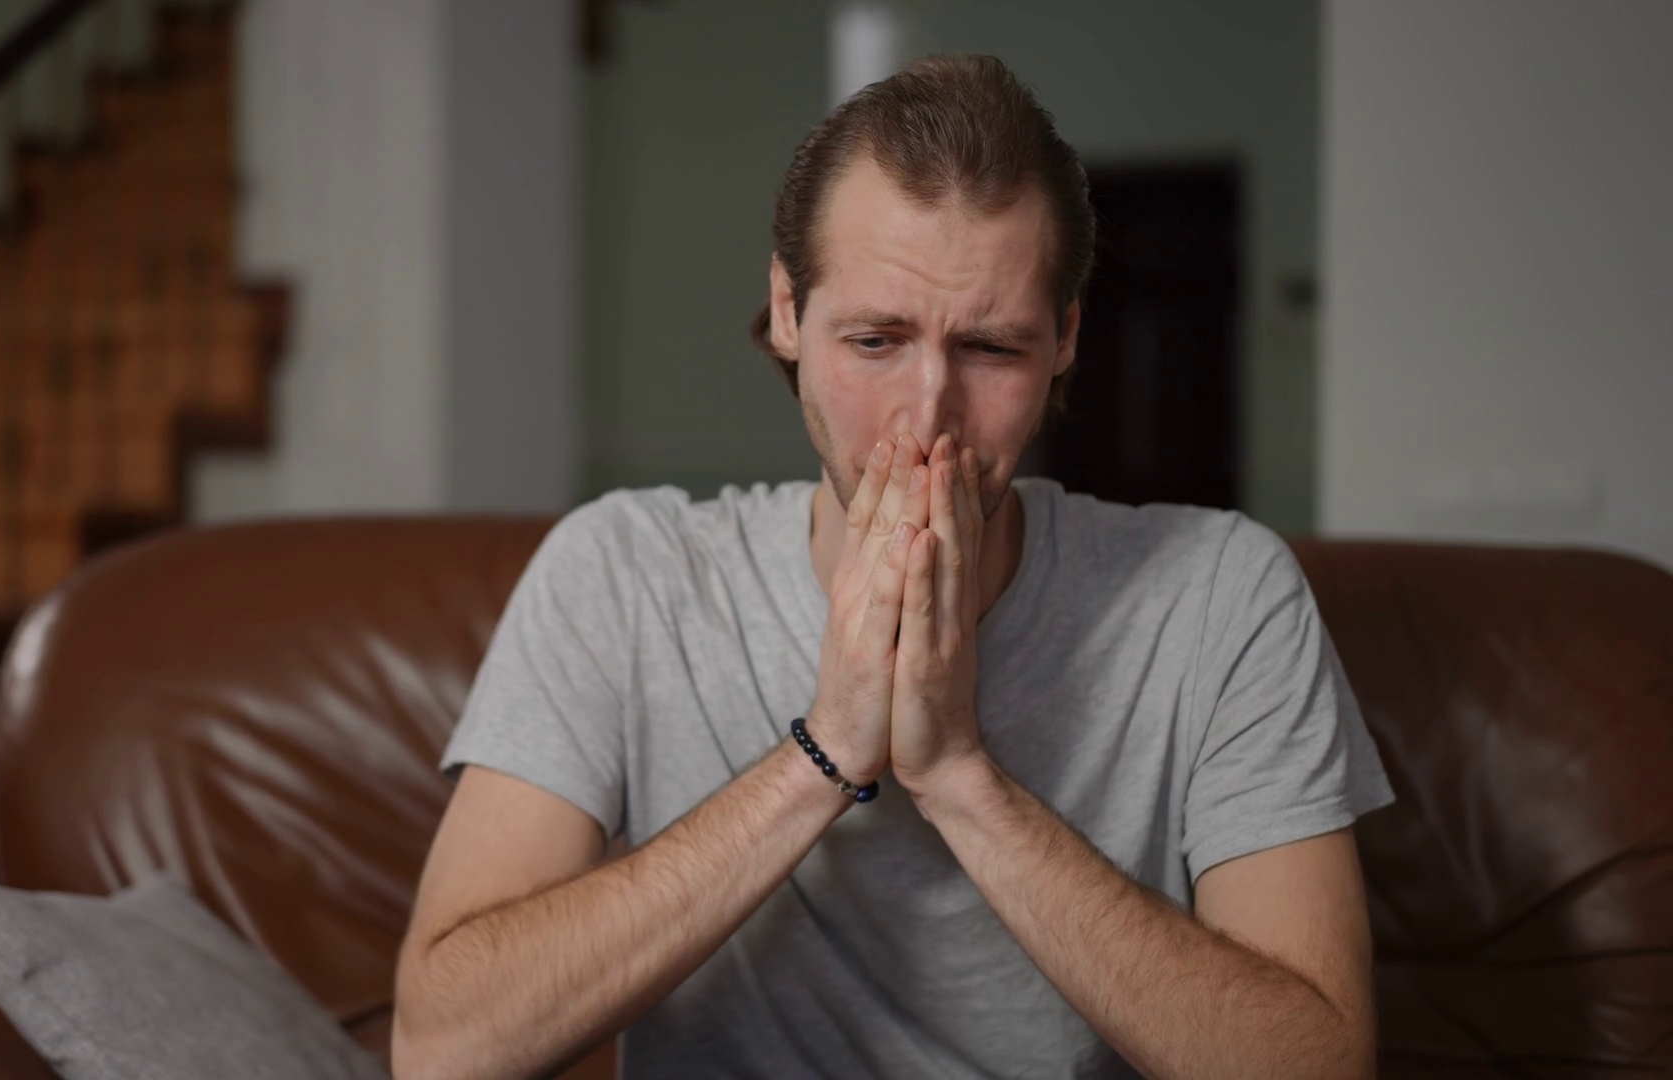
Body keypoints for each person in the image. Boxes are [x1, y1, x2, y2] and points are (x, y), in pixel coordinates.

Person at [391, 54, 1393, 1080]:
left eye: (991, 349)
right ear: (789, 312)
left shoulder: (1224, 594)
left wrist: (959, 776)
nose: (927, 417)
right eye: (875, 341)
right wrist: (825, 750)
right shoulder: (621, 573)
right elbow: (441, 1048)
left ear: (1065, 340)